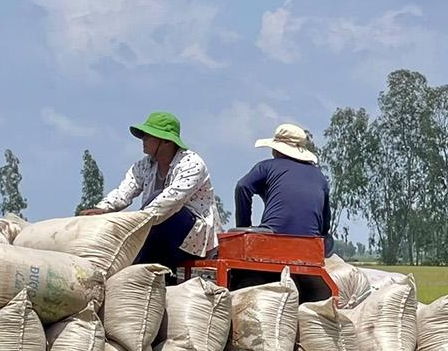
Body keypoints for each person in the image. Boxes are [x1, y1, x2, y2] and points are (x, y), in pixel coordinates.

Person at [78, 111, 220, 268]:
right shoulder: (143, 166)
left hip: (191, 235)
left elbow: (168, 202)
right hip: (155, 228)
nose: (143, 140)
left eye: (148, 136)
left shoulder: (191, 164)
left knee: (159, 209)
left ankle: (130, 266)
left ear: (166, 141)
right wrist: (102, 209)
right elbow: (124, 191)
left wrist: (134, 222)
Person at [234, 122, 333, 255]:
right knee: (329, 240)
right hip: (310, 243)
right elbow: (325, 225)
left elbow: (242, 186)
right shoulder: (320, 176)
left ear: (276, 150)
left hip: (273, 238)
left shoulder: (266, 167)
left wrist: (244, 227)